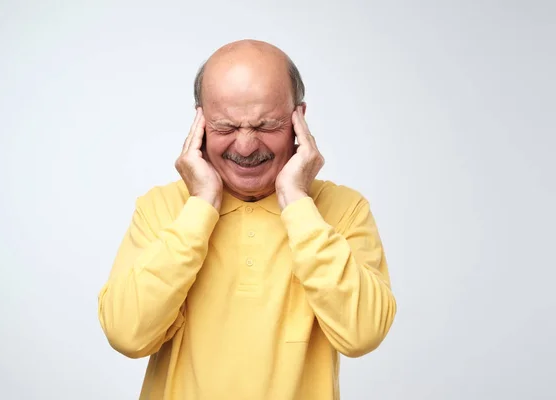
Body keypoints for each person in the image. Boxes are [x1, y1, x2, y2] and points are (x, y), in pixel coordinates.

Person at [98, 39, 396, 400]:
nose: (245, 146)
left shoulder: (342, 209)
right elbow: (127, 335)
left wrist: (297, 202)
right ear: (200, 123)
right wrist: (201, 205)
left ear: (299, 119)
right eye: (225, 128)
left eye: (266, 125)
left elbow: (363, 334)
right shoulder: (161, 207)